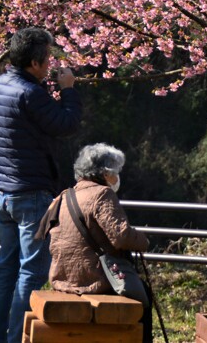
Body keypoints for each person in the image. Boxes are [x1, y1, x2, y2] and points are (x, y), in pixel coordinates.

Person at [0, 27, 82, 343]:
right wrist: (68, 89)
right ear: (36, 62)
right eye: (48, 58)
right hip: (31, 194)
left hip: (3, 191)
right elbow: (66, 125)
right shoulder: (31, 93)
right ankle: (15, 340)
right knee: (31, 272)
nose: (51, 63)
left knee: (5, 271)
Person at [43, 143, 152, 343]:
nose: (118, 176)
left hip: (62, 278)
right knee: (144, 294)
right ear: (105, 173)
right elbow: (121, 237)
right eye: (116, 171)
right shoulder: (102, 194)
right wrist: (143, 241)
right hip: (93, 280)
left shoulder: (62, 197)